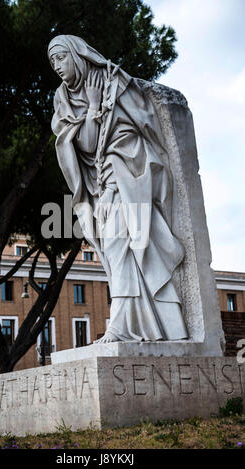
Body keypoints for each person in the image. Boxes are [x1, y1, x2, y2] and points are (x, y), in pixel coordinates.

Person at [48, 35, 188, 343]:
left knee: (119, 244)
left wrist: (110, 137)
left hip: (128, 170)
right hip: (100, 183)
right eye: (53, 61)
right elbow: (83, 144)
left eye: (61, 57)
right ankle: (147, 324)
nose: (57, 66)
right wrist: (95, 108)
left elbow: (143, 122)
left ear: (77, 54)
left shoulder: (113, 80)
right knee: (115, 251)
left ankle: (124, 324)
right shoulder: (63, 99)